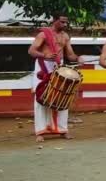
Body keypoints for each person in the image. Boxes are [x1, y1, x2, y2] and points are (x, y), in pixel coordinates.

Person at [28, 13, 83, 142]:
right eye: (62, 22)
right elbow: (31, 51)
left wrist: (78, 58)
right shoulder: (43, 34)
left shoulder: (65, 36)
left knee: (63, 96)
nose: (65, 24)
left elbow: (70, 55)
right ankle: (40, 132)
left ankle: (62, 130)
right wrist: (44, 55)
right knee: (41, 97)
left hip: (59, 66)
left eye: (66, 22)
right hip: (43, 66)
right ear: (54, 21)